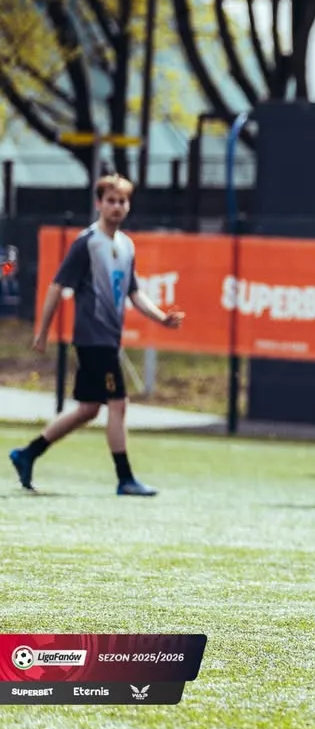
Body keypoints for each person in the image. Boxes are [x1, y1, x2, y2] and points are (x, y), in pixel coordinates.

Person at [10, 174, 185, 495]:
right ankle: (125, 479)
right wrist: (43, 331)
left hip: (108, 339)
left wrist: (162, 318)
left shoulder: (126, 245)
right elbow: (57, 285)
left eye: (122, 201)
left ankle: (27, 454)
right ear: (99, 204)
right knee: (118, 403)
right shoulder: (87, 242)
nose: (117, 207)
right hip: (93, 339)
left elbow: (134, 292)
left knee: (89, 409)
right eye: (111, 201)